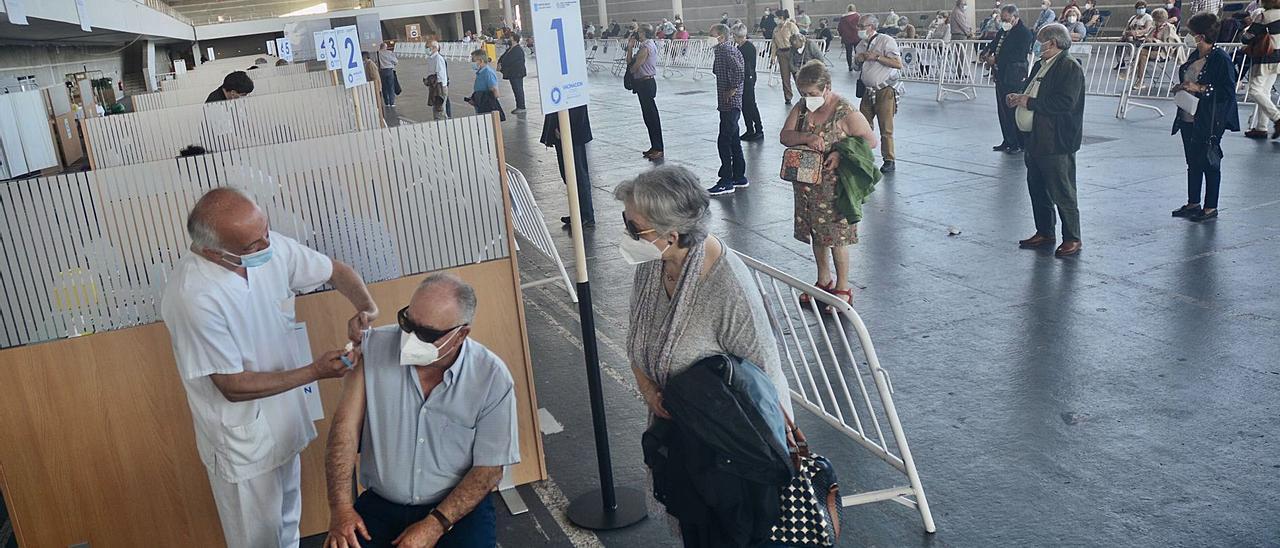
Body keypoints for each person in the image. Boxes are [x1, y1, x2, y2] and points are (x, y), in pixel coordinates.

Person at [161, 188, 377, 547]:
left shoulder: (265, 245)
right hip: (242, 440)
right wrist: (314, 371)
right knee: (257, 539)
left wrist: (366, 310)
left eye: (266, 232)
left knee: (288, 526)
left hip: (284, 420)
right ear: (215, 251)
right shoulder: (193, 297)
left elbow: (336, 272)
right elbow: (231, 385)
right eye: (253, 245)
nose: (267, 245)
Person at [616, 166, 793, 545]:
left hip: (728, 453)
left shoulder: (727, 284)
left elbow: (764, 379)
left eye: (635, 228)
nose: (628, 235)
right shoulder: (654, 264)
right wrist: (649, 391)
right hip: (683, 442)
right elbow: (637, 340)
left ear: (672, 233)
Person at [323, 274, 519, 548]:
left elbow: (488, 470)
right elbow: (343, 432)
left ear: (461, 334)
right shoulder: (374, 349)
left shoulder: (491, 377)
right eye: (407, 323)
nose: (410, 339)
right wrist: (341, 507)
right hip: (381, 504)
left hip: (454, 509)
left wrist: (435, 524)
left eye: (426, 334)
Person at [781, 61, 878, 309]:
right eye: (804, 93)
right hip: (807, 184)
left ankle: (843, 286)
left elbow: (870, 142)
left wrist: (841, 154)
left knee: (837, 237)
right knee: (817, 234)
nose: (807, 98)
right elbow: (785, 136)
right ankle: (824, 279)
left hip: (834, 187)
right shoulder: (802, 108)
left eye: (812, 93)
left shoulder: (846, 112)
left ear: (827, 88)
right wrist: (807, 137)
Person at [1005, 23, 1086, 257]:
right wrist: (1019, 96)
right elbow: (1031, 90)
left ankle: (1072, 237)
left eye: (1042, 41)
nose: (1039, 45)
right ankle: (1045, 231)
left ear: (1053, 42)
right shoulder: (1042, 65)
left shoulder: (1069, 67)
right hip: (1036, 138)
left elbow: (1064, 103)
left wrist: (1027, 102)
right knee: (1037, 187)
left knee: (1062, 189)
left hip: (1056, 140)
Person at [1171, 12, 1241, 222]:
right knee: (1193, 161)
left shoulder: (1220, 59)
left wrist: (1201, 88)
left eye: (1191, 33)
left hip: (1209, 118)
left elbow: (1228, 91)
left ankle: (1211, 206)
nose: (1189, 36)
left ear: (1200, 35)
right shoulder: (1195, 55)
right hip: (1188, 114)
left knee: (1210, 161)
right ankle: (1193, 202)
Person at [853, 16, 904, 174]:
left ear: (872, 26)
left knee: (885, 127)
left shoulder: (885, 40)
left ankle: (889, 159)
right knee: (863, 125)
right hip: (868, 91)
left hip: (884, 90)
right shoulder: (861, 44)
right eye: (858, 26)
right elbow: (857, 67)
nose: (859, 29)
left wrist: (877, 57)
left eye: (862, 26)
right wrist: (858, 60)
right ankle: (864, 156)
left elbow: (898, 63)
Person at [983, 5, 1036, 153]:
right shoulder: (1003, 31)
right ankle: (1007, 139)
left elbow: (1018, 54)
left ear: (1015, 17)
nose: (1003, 22)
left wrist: (997, 59)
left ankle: (1018, 143)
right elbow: (994, 44)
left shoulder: (1024, 33)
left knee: (1013, 108)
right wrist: (986, 53)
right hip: (1001, 74)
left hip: (1015, 75)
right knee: (1003, 109)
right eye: (1002, 19)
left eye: (1006, 19)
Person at [707, 24, 748, 196]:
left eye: (712, 35)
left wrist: (733, 88)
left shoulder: (725, 50)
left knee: (724, 139)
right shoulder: (721, 50)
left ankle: (726, 180)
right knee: (732, 139)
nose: (709, 38)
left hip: (731, 102)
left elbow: (739, 70)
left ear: (721, 37)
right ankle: (739, 176)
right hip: (726, 102)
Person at [541, 105, 596, 226]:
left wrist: (563, 128)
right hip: (565, 127)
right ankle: (579, 213)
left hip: (572, 129)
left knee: (577, 174)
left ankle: (585, 215)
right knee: (569, 174)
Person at [1243, 0, 1280, 139]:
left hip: (1264, 58)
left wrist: (1246, 31)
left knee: (1254, 90)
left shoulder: (1263, 17)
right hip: (1278, 58)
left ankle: (1277, 118)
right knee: (1265, 91)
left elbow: (1246, 38)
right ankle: (1261, 127)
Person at [629, 24, 664, 160]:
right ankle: (654, 146)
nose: (637, 34)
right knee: (648, 117)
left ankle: (659, 147)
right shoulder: (646, 45)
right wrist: (630, 48)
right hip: (643, 83)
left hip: (646, 83)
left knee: (652, 117)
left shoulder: (646, 47)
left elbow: (634, 67)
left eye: (638, 32)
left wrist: (629, 71)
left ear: (643, 33)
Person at [1129, 8, 1179, 91]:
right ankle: (1136, 77)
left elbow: (1173, 43)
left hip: (1163, 53)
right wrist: (1145, 38)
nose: (1154, 22)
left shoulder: (1169, 28)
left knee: (1141, 54)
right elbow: (1147, 37)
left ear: (1161, 19)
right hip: (1151, 49)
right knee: (1141, 54)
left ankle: (1135, 76)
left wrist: (1156, 41)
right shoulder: (1154, 28)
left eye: (1156, 20)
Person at [735, 25, 765, 144]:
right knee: (744, 105)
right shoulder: (739, 47)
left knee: (751, 104)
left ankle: (758, 129)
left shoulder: (748, 47)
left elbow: (748, 65)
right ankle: (749, 129)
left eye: (735, 36)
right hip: (743, 78)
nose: (733, 38)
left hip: (748, 78)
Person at [466, 49, 505, 120]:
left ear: (481, 61)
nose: (472, 63)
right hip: (481, 103)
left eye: (473, 60)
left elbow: (494, 90)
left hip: (487, 105)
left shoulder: (488, 73)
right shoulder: (480, 72)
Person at [772, 9, 802, 104]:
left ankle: (804, 93)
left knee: (797, 74)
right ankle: (788, 97)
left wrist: (798, 52)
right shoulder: (776, 29)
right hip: (781, 53)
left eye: (777, 17)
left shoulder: (791, 26)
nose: (775, 19)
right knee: (785, 77)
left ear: (782, 17)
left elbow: (799, 38)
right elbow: (774, 43)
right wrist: (773, 56)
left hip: (791, 51)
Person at [1117, 1, 1154, 69]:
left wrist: (1136, 32)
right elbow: (1127, 27)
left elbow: (1147, 29)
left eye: (1142, 8)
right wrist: (1123, 34)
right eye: (1139, 8)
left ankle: (1134, 60)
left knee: (1131, 41)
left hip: (1141, 37)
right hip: (1130, 36)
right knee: (1120, 43)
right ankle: (1121, 61)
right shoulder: (1133, 17)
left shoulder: (1148, 17)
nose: (1141, 9)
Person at [497, 32, 527, 114]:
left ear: (514, 39)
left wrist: (502, 65)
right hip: (512, 73)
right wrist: (499, 62)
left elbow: (509, 60)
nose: (509, 39)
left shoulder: (517, 50)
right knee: (515, 89)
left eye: (510, 37)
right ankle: (519, 106)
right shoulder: (510, 48)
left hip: (517, 73)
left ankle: (521, 106)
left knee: (518, 90)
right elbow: (503, 57)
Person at [424, 41, 451, 120]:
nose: (426, 49)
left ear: (435, 48)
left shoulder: (438, 58)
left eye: (428, 47)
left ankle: (443, 126)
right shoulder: (430, 58)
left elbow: (440, 74)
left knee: (440, 109)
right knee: (436, 109)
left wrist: (439, 88)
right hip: (434, 87)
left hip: (439, 87)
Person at [374, 42, 399, 108]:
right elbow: (396, 61)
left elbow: (376, 62)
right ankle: (392, 102)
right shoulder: (389, 53)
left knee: (384, 87)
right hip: (389, 70)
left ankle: (386, 102)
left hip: (382, 71)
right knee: (391, 87)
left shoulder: (377, 53)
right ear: (386, 47)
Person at [839, 4, 863, 72]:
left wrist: (841, 35)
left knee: (848, 52)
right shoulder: (857, 16)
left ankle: (850, 66)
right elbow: (861, 26)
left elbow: (840, 28)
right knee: (858, 52)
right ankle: (858, 65)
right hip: (857, 36)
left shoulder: (843, 18)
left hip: (847, 37)